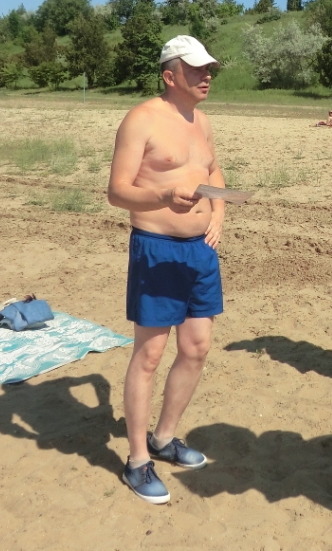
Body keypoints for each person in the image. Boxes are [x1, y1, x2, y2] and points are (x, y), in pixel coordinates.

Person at [106, 34, 227, 505]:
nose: (207, 76)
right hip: (157, 250)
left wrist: (218, 214)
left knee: (196, 347)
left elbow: (213, 171)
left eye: (209, 69)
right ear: (169, 75)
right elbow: (117, 191)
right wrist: (161, 196)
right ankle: (138, 461)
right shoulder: (141, 119)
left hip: (200, 252)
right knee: (150, 354)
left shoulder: (202, 121)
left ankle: (163, 438)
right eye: (196, 69)